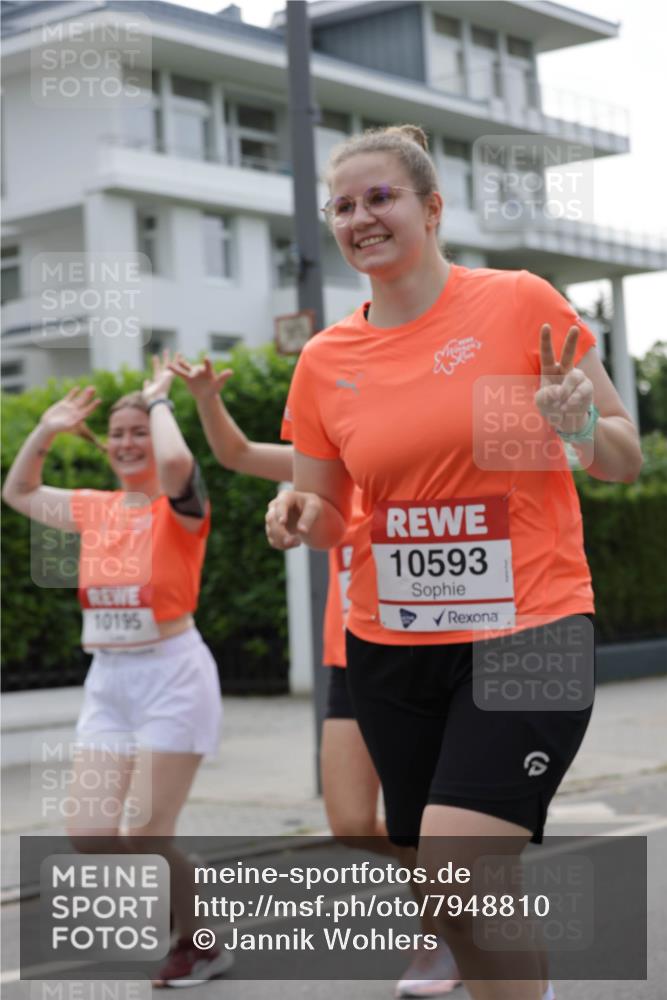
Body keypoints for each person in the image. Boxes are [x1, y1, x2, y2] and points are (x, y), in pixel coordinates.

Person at [265, 125, 643, 1000]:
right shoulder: (325, 361)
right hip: (391, 649)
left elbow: (621, 456)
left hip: (531, 625)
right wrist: (297, 512)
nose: (360, 216)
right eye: (343, 205)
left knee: (459, 866)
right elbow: (329, 512)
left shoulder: (517, 303)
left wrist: (574, 422)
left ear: (431, 208)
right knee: (451, 888)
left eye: (380, 197)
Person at [169, 354, 461, 996]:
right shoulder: (329, 469)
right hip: (350, 651)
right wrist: (204, 399)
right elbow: (241, 454)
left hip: (431, 648)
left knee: (425, 813)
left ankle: (441, 933)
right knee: (351, 822)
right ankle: (461, 883)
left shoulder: (423, 462)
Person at [2, 352, 232, 988]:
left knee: (148, 833)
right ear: (107, 446)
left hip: (173, 677)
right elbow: (16, 491)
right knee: (92, 833)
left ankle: (200, 942)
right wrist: (46, 428)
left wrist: (158, 397)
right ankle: (194, 907)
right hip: (109, 681)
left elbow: (181, 464)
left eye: (141, 432)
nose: (130, 442)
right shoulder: (96, 509)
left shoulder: (181, 508)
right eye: (119, 433)